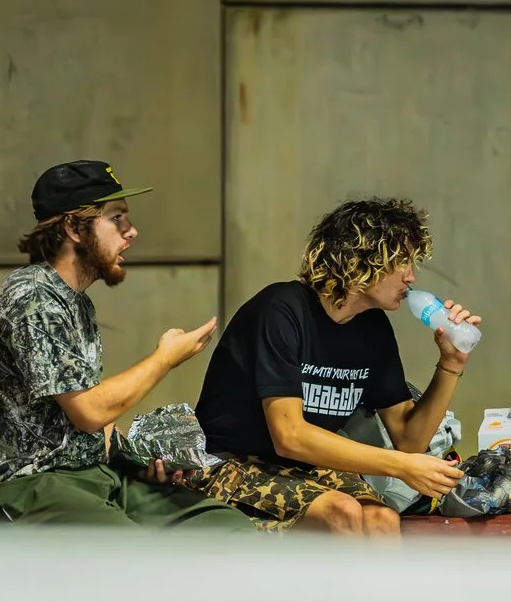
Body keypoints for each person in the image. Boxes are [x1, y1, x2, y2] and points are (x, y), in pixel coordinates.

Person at [0, 159, 250, 530]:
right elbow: (89, 410)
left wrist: (142, 461)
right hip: (26, 484)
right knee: (125, 552)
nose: (131, 231)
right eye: (116, 218)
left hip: (89, 475)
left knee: (223, 528)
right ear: (74, 227)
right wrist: (165, 359)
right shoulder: (32, 297)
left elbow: (91, 424)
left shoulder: (75, 302)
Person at [194, 198, 477, 536]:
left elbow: (409, 440)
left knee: (382, 520)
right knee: (341, 513)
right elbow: (289, 436)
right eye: (401, 261)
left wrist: (450, 364)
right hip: (229, 462)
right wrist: (401, 467)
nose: (411, 277)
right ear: (361, 260)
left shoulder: (372, 326)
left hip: (305, 466)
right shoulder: (281, 310)